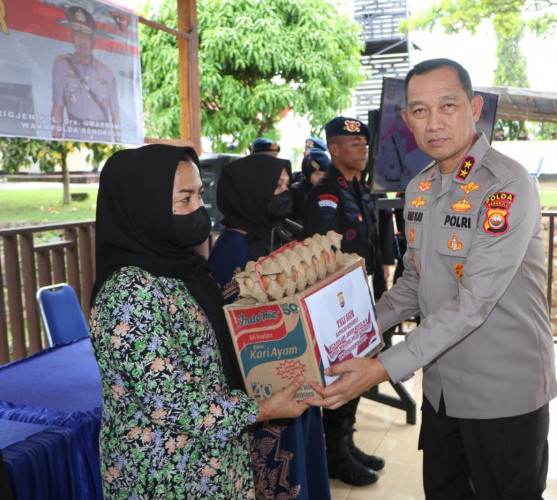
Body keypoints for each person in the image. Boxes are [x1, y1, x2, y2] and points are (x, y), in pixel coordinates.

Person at [306, 58, 557, 499]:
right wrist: (342, 335)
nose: (434, 122)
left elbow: (473, 302)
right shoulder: (419, 189)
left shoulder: (507, 186)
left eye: (448, 106)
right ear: (406, 120)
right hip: (443, 390)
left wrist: (380, 368)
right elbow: (411, 285)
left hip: (504, 395)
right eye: (420, 111)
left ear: (474, 107)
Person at [89, 144, 308, 499]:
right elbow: (169, 401)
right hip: (169, 474)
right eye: (184, 199)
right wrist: (264, 408)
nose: (199, 210)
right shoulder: (129, 293)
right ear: (144, 205)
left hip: (215, 461)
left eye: (199, 196)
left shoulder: (182, 267)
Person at [207, 153, 331, 500]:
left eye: (285, 184)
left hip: (291, 374)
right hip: (264, 389)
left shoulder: (270, 234)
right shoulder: (233, 249)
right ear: (252, 192)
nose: (285, 192)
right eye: (276, 186)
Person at [301, 116, 386, 486]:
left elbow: (369, 242)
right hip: (334, 299)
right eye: (354, 145)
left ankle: (345, 443)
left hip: (358, 293)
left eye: (364, 145)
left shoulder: (360, 188)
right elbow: (322, 251)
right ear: (334, 149)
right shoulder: (327, 193)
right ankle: (335, 454)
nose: (363, 150)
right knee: (341, 372)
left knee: (360, 369)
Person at [52, 6, 120, 142]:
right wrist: (56, 139)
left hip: (102, 139)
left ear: (93, 42)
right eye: (77, 35)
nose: (82, 41)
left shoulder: (106, 72)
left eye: (86, 37)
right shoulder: (61, 66)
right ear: (71, 38)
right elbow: (57, 108)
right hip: (74, 138)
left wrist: (118, 141)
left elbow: (115, 113)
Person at [290, 147, 330, 225]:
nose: (321, 178)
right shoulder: (296, 192)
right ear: (308, 173)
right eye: (317, 173)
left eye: (325, 174)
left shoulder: (329, 191)